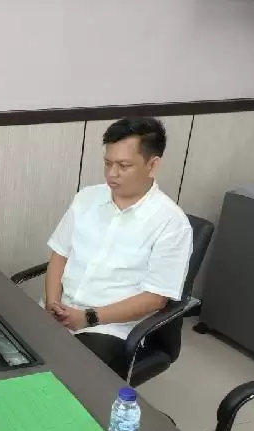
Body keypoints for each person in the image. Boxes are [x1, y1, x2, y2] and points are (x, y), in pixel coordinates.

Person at [44, 117, 193, 379]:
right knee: (3, 352)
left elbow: (155, 299)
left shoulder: (171, 223)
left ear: (152, 165)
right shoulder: (87, 198)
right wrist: (52, 302)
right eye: (108, 163)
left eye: (124, 166)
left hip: (108, 327)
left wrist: (88, 317)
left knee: (62, 378)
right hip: (60, 311)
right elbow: (59, 255)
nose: (112, 174)